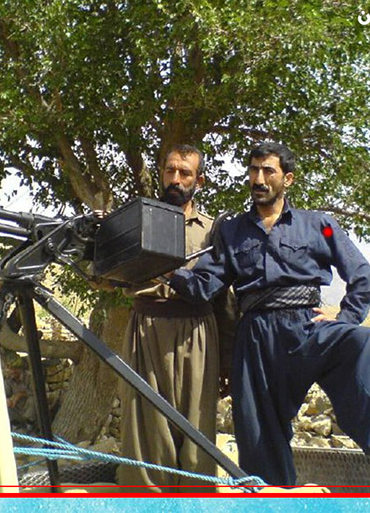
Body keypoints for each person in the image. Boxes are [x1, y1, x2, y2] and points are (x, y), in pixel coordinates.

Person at [169, 141, 370, 492]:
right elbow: (205, 283)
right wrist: (165, 271)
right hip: (255, 336)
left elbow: (362, 275)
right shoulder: (231, 230)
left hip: (307, 327)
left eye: (268, 171)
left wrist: (346, 317)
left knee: (364, 342)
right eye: (253, 170)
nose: (259, 179)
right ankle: (271, 497)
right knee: (259, 432)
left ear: (288, 179)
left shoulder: (321, 225)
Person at [116, 144, 235, 493]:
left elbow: (222, 297)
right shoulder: (135, 222)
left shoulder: (213, 231)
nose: (176, 179)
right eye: (170, 171)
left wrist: (227, 360)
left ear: (199, 180)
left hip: (197, 334)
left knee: (197, 431)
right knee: (145, 429)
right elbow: (109, 276)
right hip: (147, 329)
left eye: (185, 173)